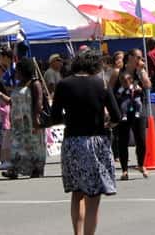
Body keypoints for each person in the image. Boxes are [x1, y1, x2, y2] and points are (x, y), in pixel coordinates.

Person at [51, 49, 122, 235]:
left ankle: (78, 233)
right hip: (95, 141)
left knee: (77, 192)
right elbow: (117, 116)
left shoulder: (63, 85)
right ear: (95, 65)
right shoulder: (102, 84)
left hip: (72, 141)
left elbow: (55, 117)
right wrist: (107, 123)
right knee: (94, 196)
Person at [5, 58, 47, 179]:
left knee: (34, 146)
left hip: (31, 121)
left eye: (18, 71)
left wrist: (35, 119)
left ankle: (36, 169)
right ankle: (14, 169)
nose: (16, 73)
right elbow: (13, 101)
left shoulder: (35, 83)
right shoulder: (19, 84)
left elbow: (39, 103)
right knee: (17, 146)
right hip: (18, 122)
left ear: (24, 71)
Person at [125, 49, 152, 178]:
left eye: (141, 57)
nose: (140, 60)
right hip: (124, 107)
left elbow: (148, 85)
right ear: (130, 57)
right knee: (123, 138)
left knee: (141, 139)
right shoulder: (121, 71)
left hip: (138, 108)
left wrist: (141, 71)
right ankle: (125, 169)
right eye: (138, 57)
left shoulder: (140, 71)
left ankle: (141, 164)